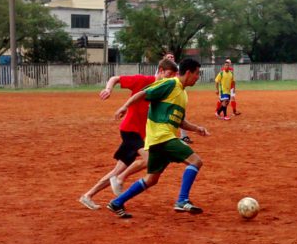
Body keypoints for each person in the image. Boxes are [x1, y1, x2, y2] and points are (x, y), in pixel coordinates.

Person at [106, 58, 210, 219]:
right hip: (162, 137)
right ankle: (182, 200)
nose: (198, 77)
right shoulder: (170, 84)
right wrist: (125, 107)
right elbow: (143, 93)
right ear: (188, 73)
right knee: (195, 161)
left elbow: (179, 121)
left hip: (159, 140)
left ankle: (117, 202)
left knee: (151, 179)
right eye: (197, 74)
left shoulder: (182, 94)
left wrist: (197, 128)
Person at [78, 58, 175, 210]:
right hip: (129, 130)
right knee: (149, 160)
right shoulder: (143, 80)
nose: (170, 80)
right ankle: (120, 179)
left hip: (140, 133)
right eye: (169, 75)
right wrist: (109, 89)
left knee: (117, 169)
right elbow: (115, 78)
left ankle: (88, 195)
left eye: (173, 77)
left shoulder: (163, 90)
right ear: (161, 71)